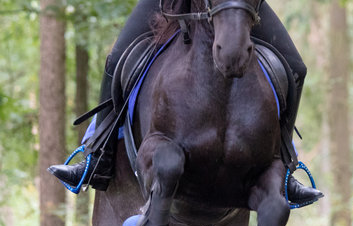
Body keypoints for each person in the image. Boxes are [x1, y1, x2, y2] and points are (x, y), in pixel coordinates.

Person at [48, 0, 323, 204]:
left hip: (238, 4)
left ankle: (285, 165)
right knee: (118, 57)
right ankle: (98, 154)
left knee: (296, 67)